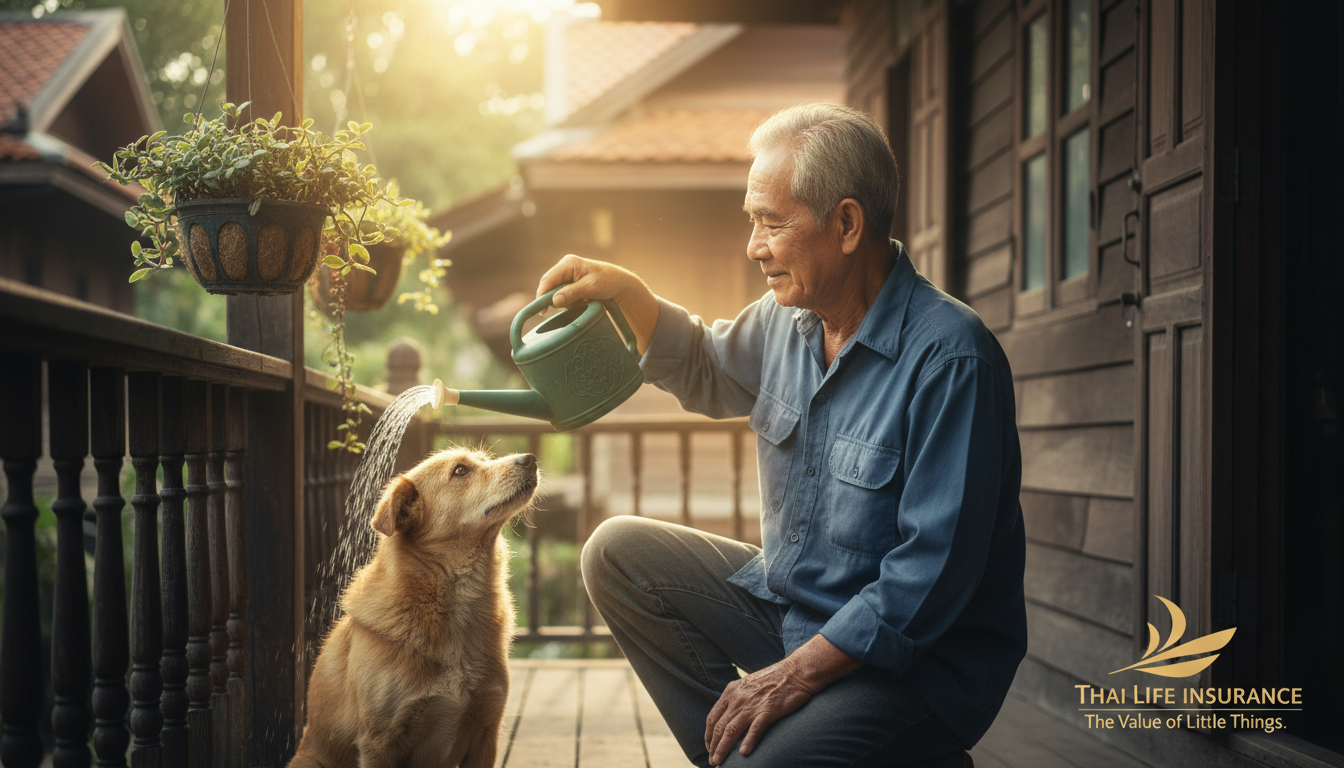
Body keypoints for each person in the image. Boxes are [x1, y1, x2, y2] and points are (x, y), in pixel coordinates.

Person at [536, 103, 1026, 767]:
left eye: (770, 222)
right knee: (615, 552)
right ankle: (757, 748)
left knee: (758, 761)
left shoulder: (952, 359)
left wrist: (789, 678)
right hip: (795, 616)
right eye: (751, 222)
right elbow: (708, 367)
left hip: (914, 668)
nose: (753, 246)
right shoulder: (785, 319)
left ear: (847, 224)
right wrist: (632, 295)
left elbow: (927, 582)